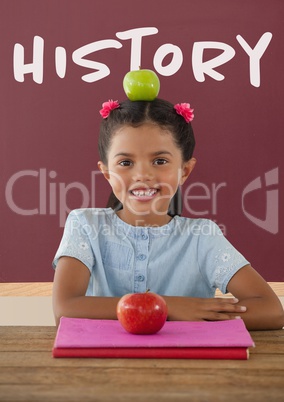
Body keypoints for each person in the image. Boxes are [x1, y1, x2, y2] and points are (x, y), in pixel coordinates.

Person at [52, 98, 284, 330]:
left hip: (187, 365)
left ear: (185, 170)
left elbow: (271, 311)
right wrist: (168, 307)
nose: (142, 174)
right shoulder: (84, 225)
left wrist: (202, 314)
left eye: (160, 160)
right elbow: (65, 309)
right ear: (106, 173)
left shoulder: (201, 237)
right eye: (125, 162)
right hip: (101, 364)